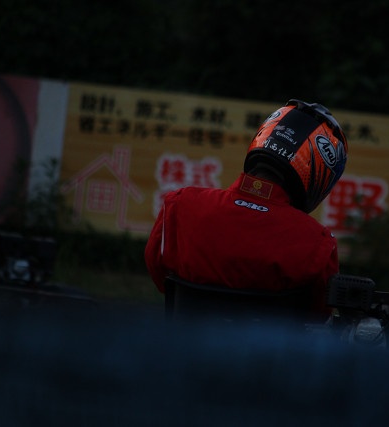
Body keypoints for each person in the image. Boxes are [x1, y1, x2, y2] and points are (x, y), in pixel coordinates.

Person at [144, 99, 348, 320]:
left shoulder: (180, 205)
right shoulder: (317, 243)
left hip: (184, 341)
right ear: (320, 171)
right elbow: (317, 317)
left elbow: (162, 279)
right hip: (270, 344)